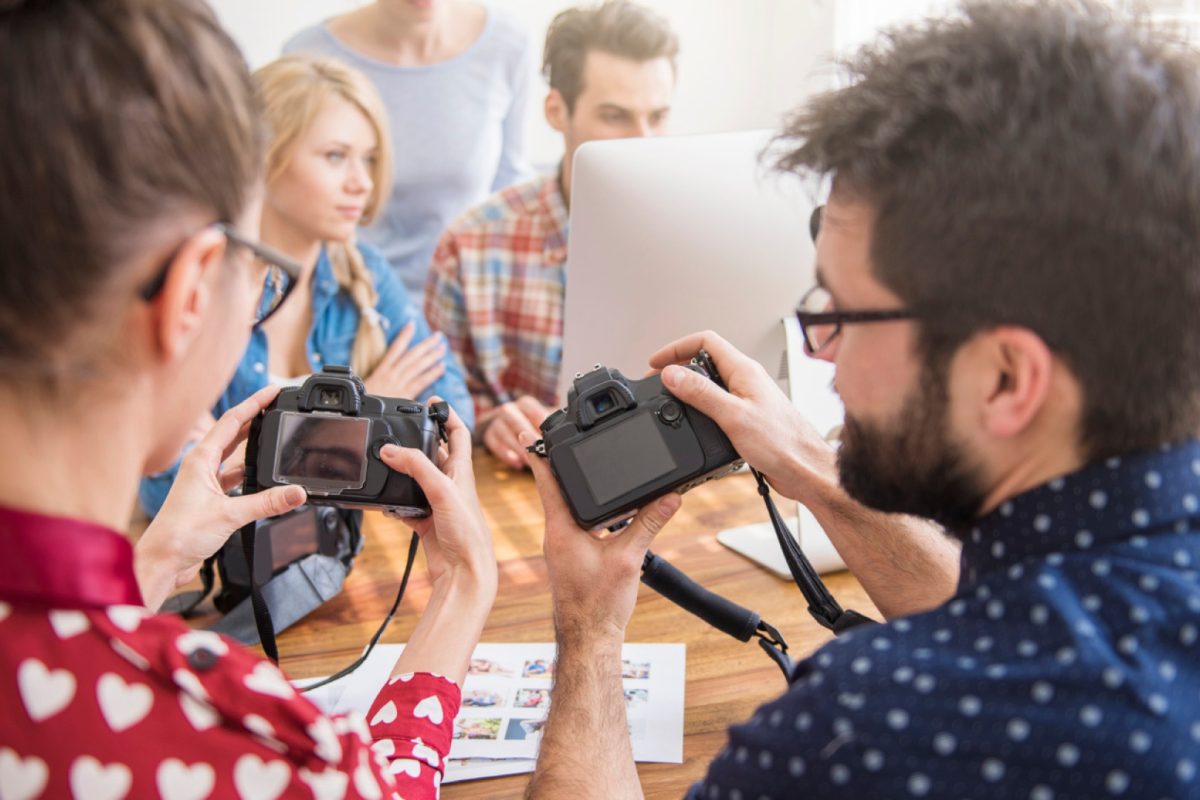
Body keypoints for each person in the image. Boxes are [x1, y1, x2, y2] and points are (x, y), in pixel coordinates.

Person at [522, 1, 1200, 797]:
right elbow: (1003, 614)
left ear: (1007, 378)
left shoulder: (864, 730)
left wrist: (591, 630)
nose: (819, 351)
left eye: (842, 312)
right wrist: (810, 463)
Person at [0, 2, 494, 797]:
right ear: (192, 290)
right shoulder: (244, 734)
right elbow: (383, 786)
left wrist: (156, 559)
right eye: (256, 272)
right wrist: (466, 588)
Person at [138, 53, 473, 516]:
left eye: (370, 160)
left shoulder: (366, 272)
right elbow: (165, 491)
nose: (363, 183)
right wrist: (360, 424)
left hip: (343, 557)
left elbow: (454, 418)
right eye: (336, 156)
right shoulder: (204, 288)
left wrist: (273, 453)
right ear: (264, 159)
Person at [424, 0, 678, 469]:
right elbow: (434, 402)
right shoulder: (471, 246)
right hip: (537, 486)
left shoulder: (696, 232)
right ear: (556, 111)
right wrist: (486, 421)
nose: (643, 141)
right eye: (615, 116)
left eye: (658, 116)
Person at [284, 0, 535, 296]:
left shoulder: (508, 46)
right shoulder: (309, 57)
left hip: (465, 295)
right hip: (349, 292)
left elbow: (511, 188)